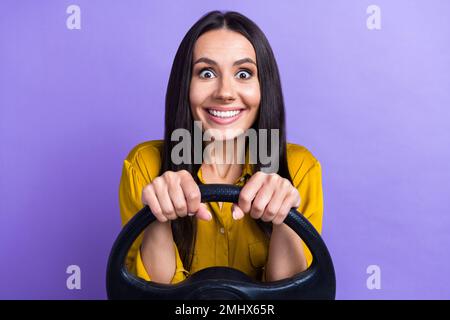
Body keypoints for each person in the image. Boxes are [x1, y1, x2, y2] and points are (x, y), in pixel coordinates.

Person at [118, 10, 324, 284]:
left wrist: (284, 219)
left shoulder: (300, 168)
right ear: (185, 86)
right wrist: (160, 218)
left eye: (243, 73)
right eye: (206, 73)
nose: (225, 92)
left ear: (264, 88)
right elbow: (149, 295)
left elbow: (294, 295)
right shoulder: (145, 165)